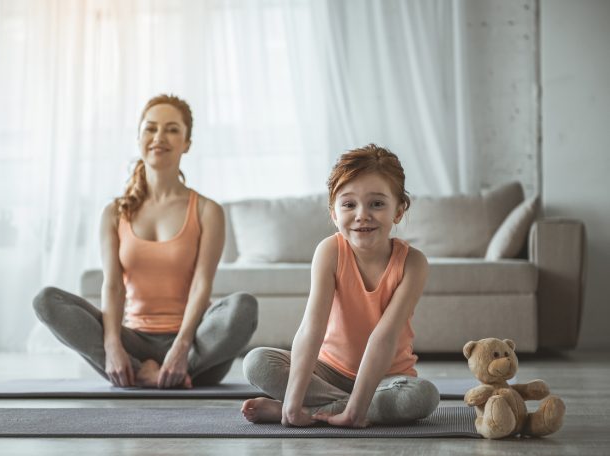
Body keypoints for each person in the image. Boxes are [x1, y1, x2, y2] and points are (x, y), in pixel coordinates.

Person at [34, 94, 258, 389]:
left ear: (187, 143)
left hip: (194, 346)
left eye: (172, 129)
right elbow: (113, 286)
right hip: (133, 343)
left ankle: (164, 373)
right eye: (151, 128)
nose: (159, 137)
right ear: (139, 137)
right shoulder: (115, 213)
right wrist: (113, 346)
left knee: (243, 306)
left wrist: (181, 348)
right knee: (47, 300)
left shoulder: (207, 210)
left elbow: (202, 284)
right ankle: (142, 372)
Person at [241, 144, 439, 427]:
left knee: (422, 397)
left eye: (377, 204)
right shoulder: (329, 252)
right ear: (333, 213)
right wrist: (293, 404)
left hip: (386, 378)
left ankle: (337, 408)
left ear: (398, 210)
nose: (362, 215)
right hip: (329, 372)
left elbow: (383, 337)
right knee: (256, 362)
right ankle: (320, 406)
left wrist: (355, 412)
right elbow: (312, 327)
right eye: (349, 204)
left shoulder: (413, 263)